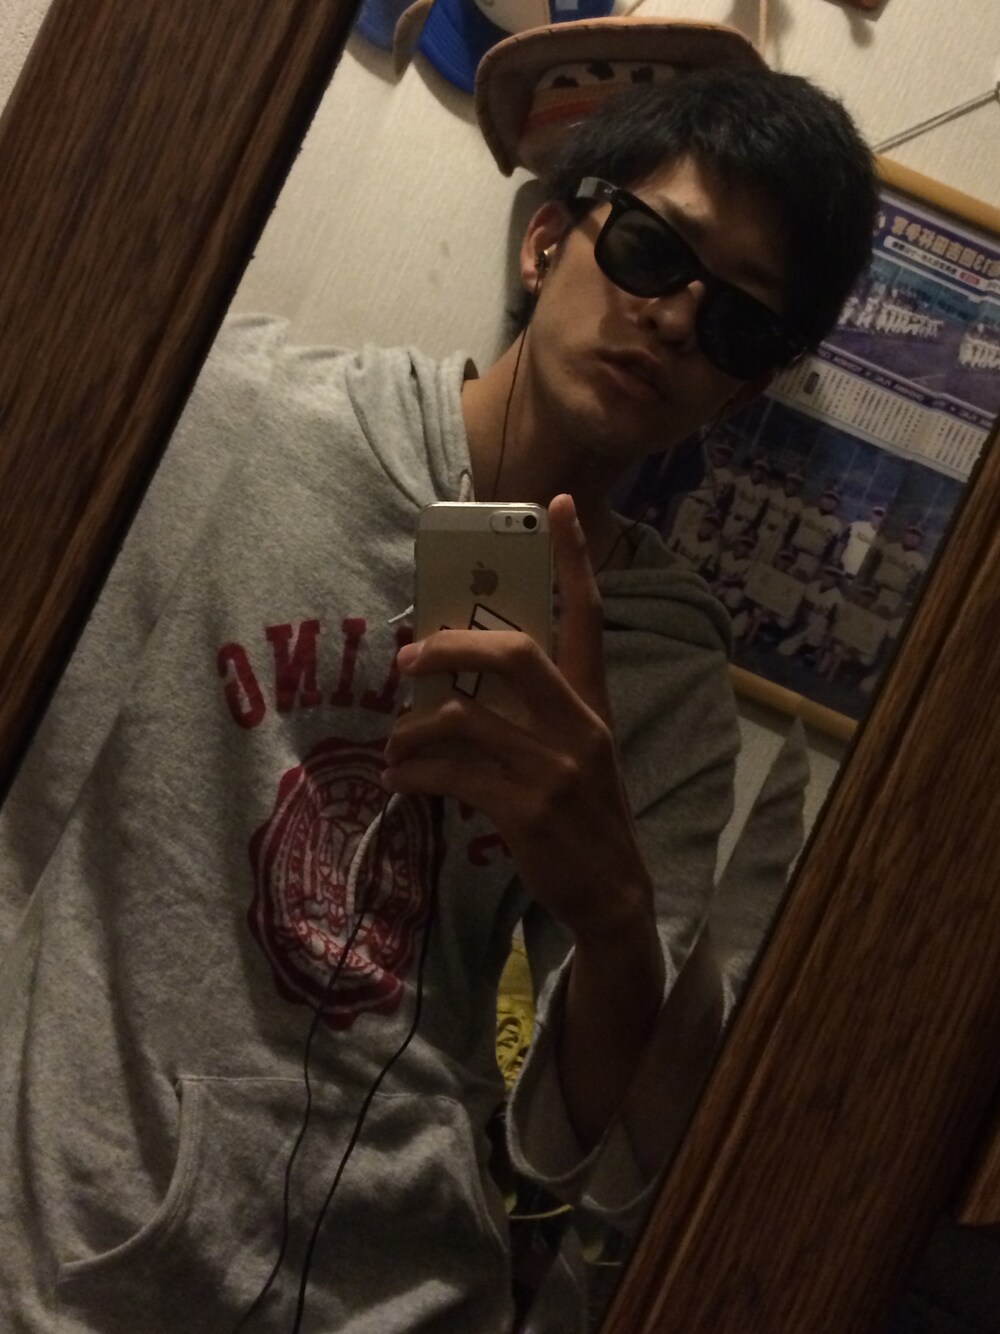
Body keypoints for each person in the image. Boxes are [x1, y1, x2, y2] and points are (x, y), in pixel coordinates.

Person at [0, 64, 878, 1333]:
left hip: (406, 1287)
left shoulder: (665, 668)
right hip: (73, 1239)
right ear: (546, 240)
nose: (676, 320)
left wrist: (612, 913)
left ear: (742, 390)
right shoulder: (242, 413)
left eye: (740, 323)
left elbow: (584, 1144)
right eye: (651, 249)